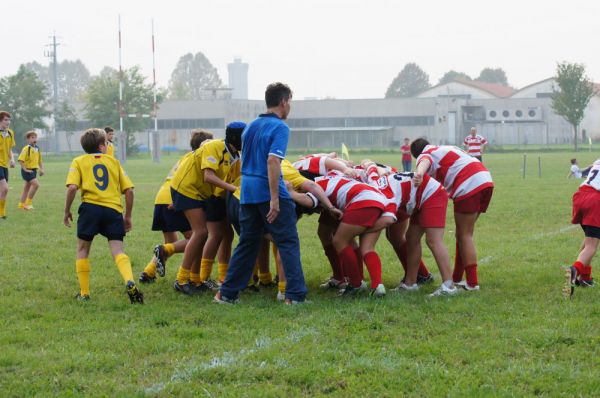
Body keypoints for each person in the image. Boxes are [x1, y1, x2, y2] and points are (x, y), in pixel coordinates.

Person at [215, 82, 309, 305]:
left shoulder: (251, 126)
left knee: (247, 243)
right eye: (290, 103)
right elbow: (272, 160)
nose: (290, 107)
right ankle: (294, 296)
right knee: (287, 241)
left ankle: (226, 294)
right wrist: (275, 198)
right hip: (267, 192)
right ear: (284, 102)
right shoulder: (280, 128)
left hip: (247, 193)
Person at [63, 128, 143, 303]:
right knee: (118, 251)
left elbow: (72, 188)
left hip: (89, 208)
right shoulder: (114, 162)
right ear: (101, 146)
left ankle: (84, 293)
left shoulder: (78, 161)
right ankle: (129, 281)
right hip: (113, 210)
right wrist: (128, 216)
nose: (107, 146)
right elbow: (129, 191)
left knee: (83, 250)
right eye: (106, 143)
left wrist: (66, 210)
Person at [411, 138, 494, 291]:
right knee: (463, 235)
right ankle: (457, 278)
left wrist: (419, 173)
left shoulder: (426, 154)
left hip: (468, 183)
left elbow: (424, 162)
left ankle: (472, 283)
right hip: (485, 179)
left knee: (464, 235)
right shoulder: (445, 148)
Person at [139, 130, 213, 283]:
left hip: (161, 198)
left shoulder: (185, 157)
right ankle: (192, 278)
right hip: (176, 199)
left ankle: (148, 272)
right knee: (197, 238)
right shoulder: (201, 159)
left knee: (171, 241)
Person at [198, 122, 245, 288]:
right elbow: (208, 176)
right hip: (211, 197)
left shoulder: (237, 154)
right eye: (243, 137)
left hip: (224, 199)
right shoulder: (215, 146)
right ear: (234, 137)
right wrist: (232, 188)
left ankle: (223, 277)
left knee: (228, 236)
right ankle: (202, 278)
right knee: (216, 235)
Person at [565, 159, 600, 297]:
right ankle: (574, 271)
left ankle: (585, 278)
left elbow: (587, 172)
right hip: (595, 199)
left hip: (581, 196)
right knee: (592, 245)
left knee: (589, 240)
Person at [17, 131, 44, 210]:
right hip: (27, 171)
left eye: (35, 137)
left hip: (34, 170)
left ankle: (21, 204)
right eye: (32, 137)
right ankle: (28, 203)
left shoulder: (37, 148)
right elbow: (20, 160)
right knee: (36, 185)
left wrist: (42, 169)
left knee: (26, 188)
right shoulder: (26, 148)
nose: (34, 139)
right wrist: (25, 169)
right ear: (28, 139)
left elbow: (40, 161)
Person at [0, 111, 16, 219]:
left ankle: (1, 213)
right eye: (6, 120)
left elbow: (9, 149)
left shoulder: (10, 133)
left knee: (2, 191)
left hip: (5, 165)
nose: (8, 122)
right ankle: (1, 213)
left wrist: (12, 159)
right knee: (5, 188)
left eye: (9, 120)